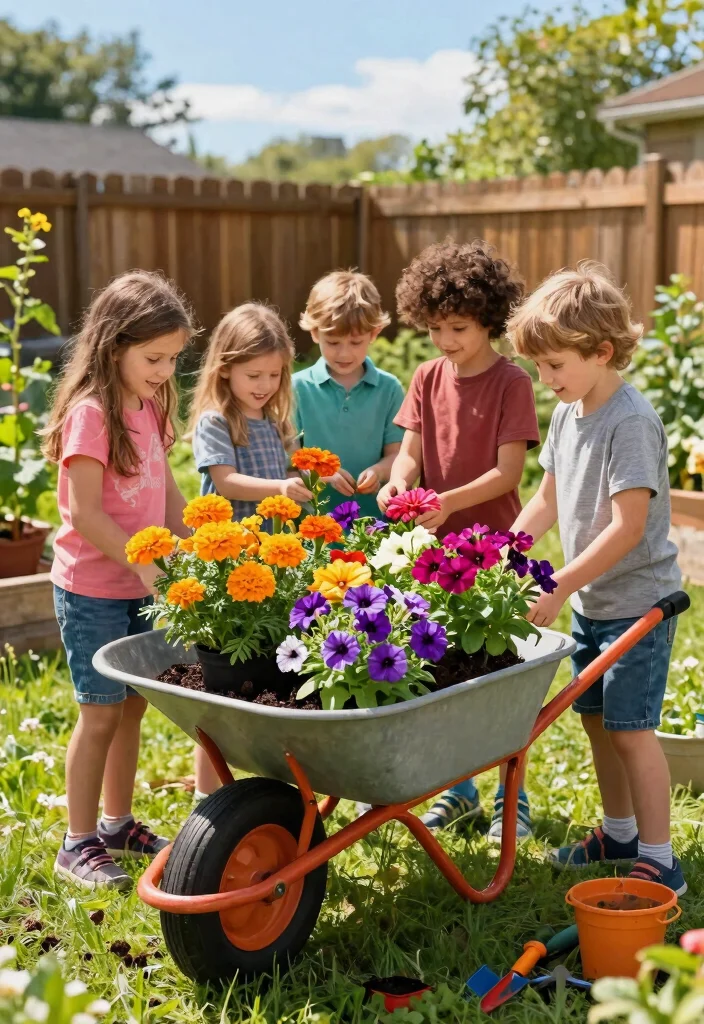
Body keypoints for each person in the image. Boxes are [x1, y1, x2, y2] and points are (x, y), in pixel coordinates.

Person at [506, 262, 685, 894]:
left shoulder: (629, 421)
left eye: (554, 365)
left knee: (631, 732)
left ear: (602, 351)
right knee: (595, 721)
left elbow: (628, 528)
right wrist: (506, 552)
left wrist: (558, 582)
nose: (544, 378)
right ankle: (619, 833)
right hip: (592, 601)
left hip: (638, 604)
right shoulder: (568, 412)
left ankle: (661, 859)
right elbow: (547, 499)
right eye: (538, 366)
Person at [378, 239, 541, 838]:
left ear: (489, 319)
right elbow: (410, 455)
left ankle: (511, 798)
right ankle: (460, 791)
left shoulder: (511, 382)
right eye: (435, 328)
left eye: (458, 328)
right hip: (435, 555)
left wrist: (447, 502)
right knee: (447, 674)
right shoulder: (426, 377)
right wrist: (398, 482)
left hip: (494, 550)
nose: (445, 340)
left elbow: (508, 474)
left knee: (500, 682)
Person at [42, 271, 194, 889]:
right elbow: (84, 513)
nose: (165, 370)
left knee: (132, 708)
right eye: (153, 358)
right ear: (113, 347)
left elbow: (167, 489)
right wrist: (142, 562)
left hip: (139, 582)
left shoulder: (149, 404)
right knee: (99, 713)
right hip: (92, 590)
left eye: (173, 359)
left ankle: (117, 825)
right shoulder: (90, 414)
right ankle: (76, 842)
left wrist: (197, 540)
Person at [294, 269, 405, 520]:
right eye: (333, 342)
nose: (344, 354)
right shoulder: (297, 388)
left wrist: (379, 471)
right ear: (315, 333)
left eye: (355, 342)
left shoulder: (389, 389)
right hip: (311, 525)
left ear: (374, 333)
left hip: (373, 523)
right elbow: (287, 460)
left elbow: (397, 455)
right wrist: (321, 474)